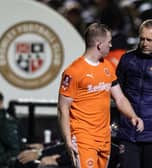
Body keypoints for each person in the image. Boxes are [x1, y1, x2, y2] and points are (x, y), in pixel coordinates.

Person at [57, 22, 144, 168]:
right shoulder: (73, 71)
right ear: (99, 44)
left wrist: (133, 116)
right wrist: (67, 140)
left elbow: (120, 98)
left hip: (104, 138)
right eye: (109, 42)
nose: (110, 46)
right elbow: (62, 108)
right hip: (83, 138)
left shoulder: (107, 67)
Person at [116, 19, 152, 168]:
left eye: (149, 40)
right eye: (142, 39)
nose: (145, 43)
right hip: (128, 132)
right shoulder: (127, 59)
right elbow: (117, 92)